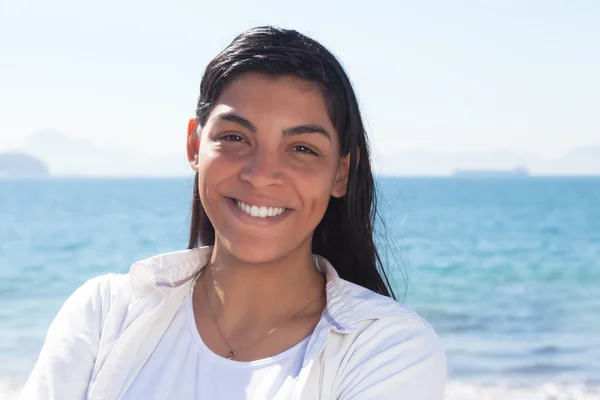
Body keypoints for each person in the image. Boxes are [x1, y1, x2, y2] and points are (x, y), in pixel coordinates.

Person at [22, 26, 446, 399]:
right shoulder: (102, 316)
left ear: (340, 173)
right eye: (236, 137)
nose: (262, 175)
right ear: (194, 145)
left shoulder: (389, 349)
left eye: (301, 148)